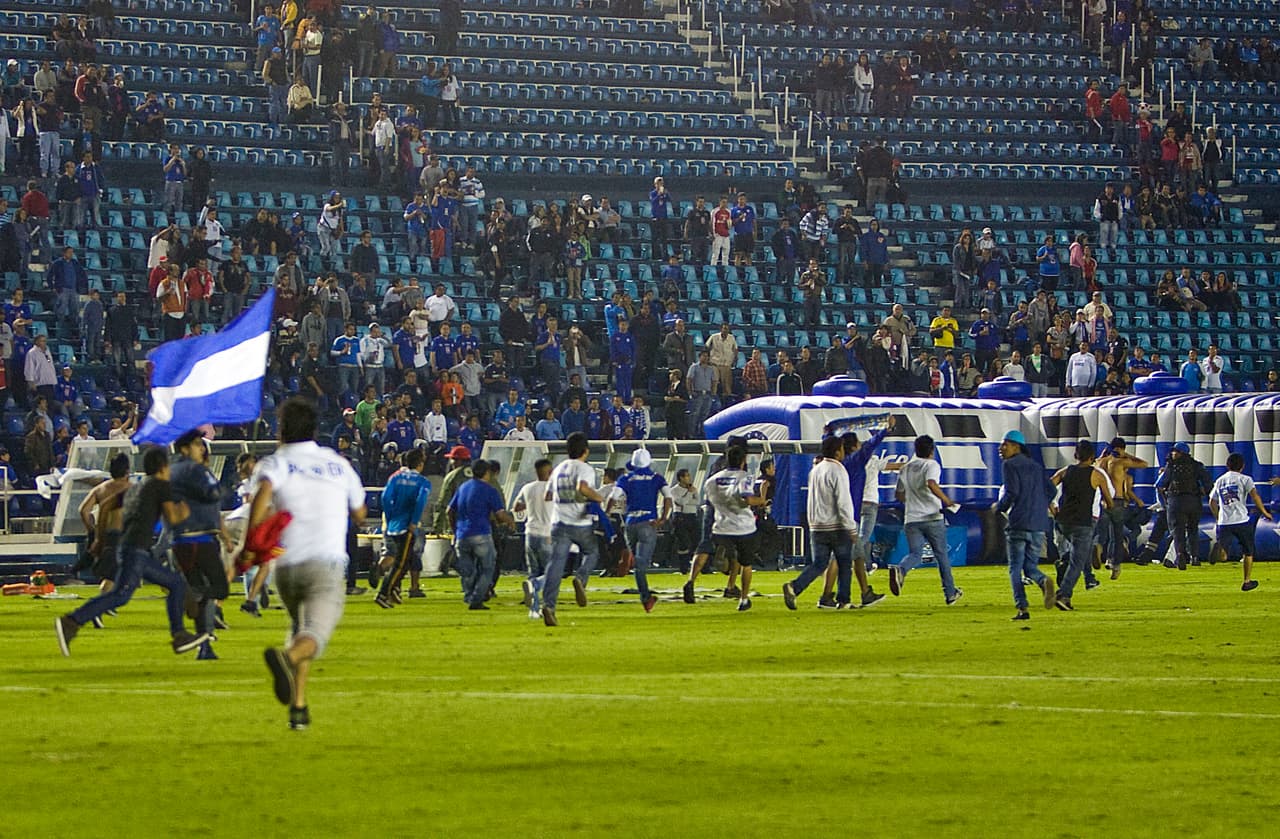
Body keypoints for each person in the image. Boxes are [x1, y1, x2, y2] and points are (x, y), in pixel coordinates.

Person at [250, 397, 367, 730]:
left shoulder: (274, 464)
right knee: (315, 634)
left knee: (299, 628)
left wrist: (252, 540)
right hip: (325, 563)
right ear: (315, 429)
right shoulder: (337, 464)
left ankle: (298, 707)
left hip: (286, 566)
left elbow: (262, 496)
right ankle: (285, 659)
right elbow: (360, 512)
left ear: (280, 429)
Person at [55, 447, 209, 658]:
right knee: (121, 594)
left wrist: (99, 538)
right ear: (164, 466)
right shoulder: (160, 486)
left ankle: (180, 635)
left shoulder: (137, 487)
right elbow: (173, 519)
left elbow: (107, 505)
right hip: (135, 549)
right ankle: (71, 621)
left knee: (175, 583)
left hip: (129, 548)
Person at [168, 430, 229, 660]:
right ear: (184, 448)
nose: (201, 448)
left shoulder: (172, 471)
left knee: (202, 591)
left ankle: (204, 645)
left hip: (181, 540)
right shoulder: (195, 470)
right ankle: (189, 597)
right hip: (200, 539)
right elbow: (213, 493)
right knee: (219, 588)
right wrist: (225, 489)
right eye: (196, 444)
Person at [783, 435, 860, 610]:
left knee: (819, 563)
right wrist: (850, 527)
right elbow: (843, 501)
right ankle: (844, 600)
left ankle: (795, 587)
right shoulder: (838, 470)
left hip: (817, 525)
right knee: (845, 563)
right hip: (836, 526)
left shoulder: (816, 470)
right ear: (837, 451)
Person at [537, 432, 604, 626]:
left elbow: (547, 496)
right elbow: (583, 488)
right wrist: (598, 497)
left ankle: (549, 606)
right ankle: (580, 579)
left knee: (555, 566)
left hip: (559, 523)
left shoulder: (558, 469)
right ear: (586, 451)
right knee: (592, 552)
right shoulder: (585, 468)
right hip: (579, 521)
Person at [889, 434, 962, 604]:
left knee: (915, 553)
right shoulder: (932, 465)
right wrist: (947, 501)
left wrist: (913, 502)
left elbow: (898, 494)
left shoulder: (905, 468)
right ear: (932, 450)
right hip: (932, 517)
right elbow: (931, 483)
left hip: (911, 519)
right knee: (942, 555)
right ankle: (950, 592)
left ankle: (901, 569)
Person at [994, 429, 1056, 620]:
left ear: (1016, 446)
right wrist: (1039, 503)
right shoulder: (1036, 466)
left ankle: (1022, 607)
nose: (1000, 448)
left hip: (1019, 522)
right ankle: (1043, 580)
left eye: (1005, 444)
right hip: (1038, 524)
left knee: (1015, 567)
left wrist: (998, 507)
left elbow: (1011, 492)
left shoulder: (1010, 465)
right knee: (1030, 567)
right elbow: (1052, 491)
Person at [1050, 440, 1114, 610]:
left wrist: (1053, 507)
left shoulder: (1065, 471)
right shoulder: (1097, 475)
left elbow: (1047, 487)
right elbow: (1109, 500)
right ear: (1092, 456)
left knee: (1076, 554)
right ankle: (1064, 595)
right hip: (1083, 522)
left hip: (1063, 521)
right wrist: (1109, 506)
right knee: (1078, 561)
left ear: (1075, 455)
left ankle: (1064, 561)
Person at [703, 445, 766, 612]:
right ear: (743, 460)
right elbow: (746, 500)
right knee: (747, 564)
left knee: (734, 555)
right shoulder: (744, 477)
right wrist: (761, 500)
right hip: (743, 527)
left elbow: (710, 501)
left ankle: (726, 556)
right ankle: (744, 599)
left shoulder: (712, 480)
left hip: (721, 526)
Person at [448, 459, 512, 610]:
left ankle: (469, 595)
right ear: (487, 472)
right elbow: (500, 514)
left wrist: (455, 529)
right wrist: (510, 522)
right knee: (487, 568)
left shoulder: (463, 487)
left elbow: (449, 511)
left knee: (468, 570)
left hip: (462, 535)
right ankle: (476, 599)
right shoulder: (489, 490)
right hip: (481, 534)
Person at [614, 449, 672, 612]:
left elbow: (614, 496)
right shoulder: (656, 478)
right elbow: (668, 497)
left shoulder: (625, 478)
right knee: (641, 564)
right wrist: (663, 518)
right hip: (648, 522)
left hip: (630, 523)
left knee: (638, 562)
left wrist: (608, 513)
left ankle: (645, 595)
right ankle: (645, 597)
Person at [373, 448, 431, 609]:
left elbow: (385, 497)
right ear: (420, 464)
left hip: (392, 524)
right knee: (401, 563)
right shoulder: (423, 482)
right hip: (407, 526)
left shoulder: (395, 477)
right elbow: (420, 502)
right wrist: (413, 521)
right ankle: (383, 593)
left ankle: (393, 590)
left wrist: (391, 516)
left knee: (405, 560)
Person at [1209, 453, 1274, 592]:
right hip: (1241, 521)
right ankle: (1247, 581)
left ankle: (1219, 549)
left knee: (1224, 556)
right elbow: (1255, 496)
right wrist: (1264, 512)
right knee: (1248, 552)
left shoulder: (1220, 480)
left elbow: (1211, 501)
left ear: (1227, 465)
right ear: (1242, 466)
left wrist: (1217, 516)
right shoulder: (1246, 479)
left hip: (1223, 522)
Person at [77, 452, 132, 600]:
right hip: (123, 535)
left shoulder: (100, 489)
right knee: (114, 574)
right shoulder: (131, 488)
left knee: (118, 572)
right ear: (127, 471)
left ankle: (110, 602)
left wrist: (91, 530)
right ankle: (100, 604)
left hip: (104, 534)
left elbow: (83, 510)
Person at [1154, 442, 1213, 571]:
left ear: (1181, 453)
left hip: (1176, 501)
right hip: (1194, 501)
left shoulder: (1171, 466)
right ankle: (1195, 557)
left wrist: (1165, 504)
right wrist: (1203, 493)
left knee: (1177, 530)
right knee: (1193, 529)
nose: (1172, 454)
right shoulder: (1197, 466)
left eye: (1175, 451)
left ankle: (1180, 555)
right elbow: (1208, 483)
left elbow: (1159, 485)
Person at [514, 458, 554, 618]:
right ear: (549, 471)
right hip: (547, 534)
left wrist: (531, 505)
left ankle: (534, 610)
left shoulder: (527, 488)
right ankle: (538, 589)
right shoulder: (554, 489)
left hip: (530, 533)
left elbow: (517, 507)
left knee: (534, 570)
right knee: (552, 572)